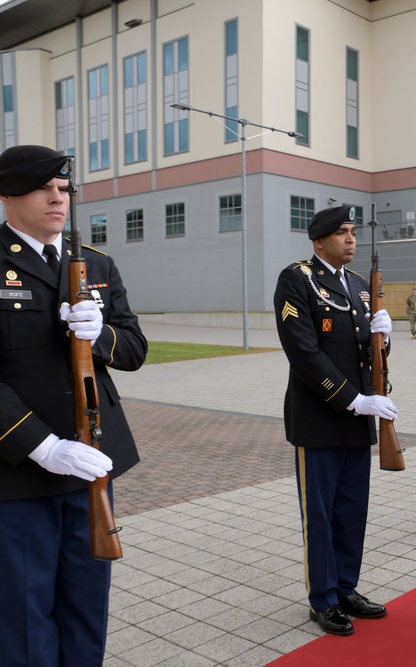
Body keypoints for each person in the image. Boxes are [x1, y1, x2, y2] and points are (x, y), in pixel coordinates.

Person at [0, 145, 147, 665]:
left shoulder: (97, 264)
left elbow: (134, 349)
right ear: (8, 195)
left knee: (87, 604)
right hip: (21, 471)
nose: (57, 199)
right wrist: (40, 446)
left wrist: (99, 333)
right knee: (24, 612)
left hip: (90, 461)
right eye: (44, 189)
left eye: (63, 190)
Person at [273, 204, 397, 637]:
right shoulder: (297, 279)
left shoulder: (362, 286)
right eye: (342, 232)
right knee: (321, 515)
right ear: (319, 240)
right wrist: (352, 400)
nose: (351, 239)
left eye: (353, 232)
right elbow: (305, 353)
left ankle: (346, 588)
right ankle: (322, 598)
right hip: (321, 417)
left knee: (351, 511)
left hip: (357, 419)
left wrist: (384, 337)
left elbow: (368, 356)